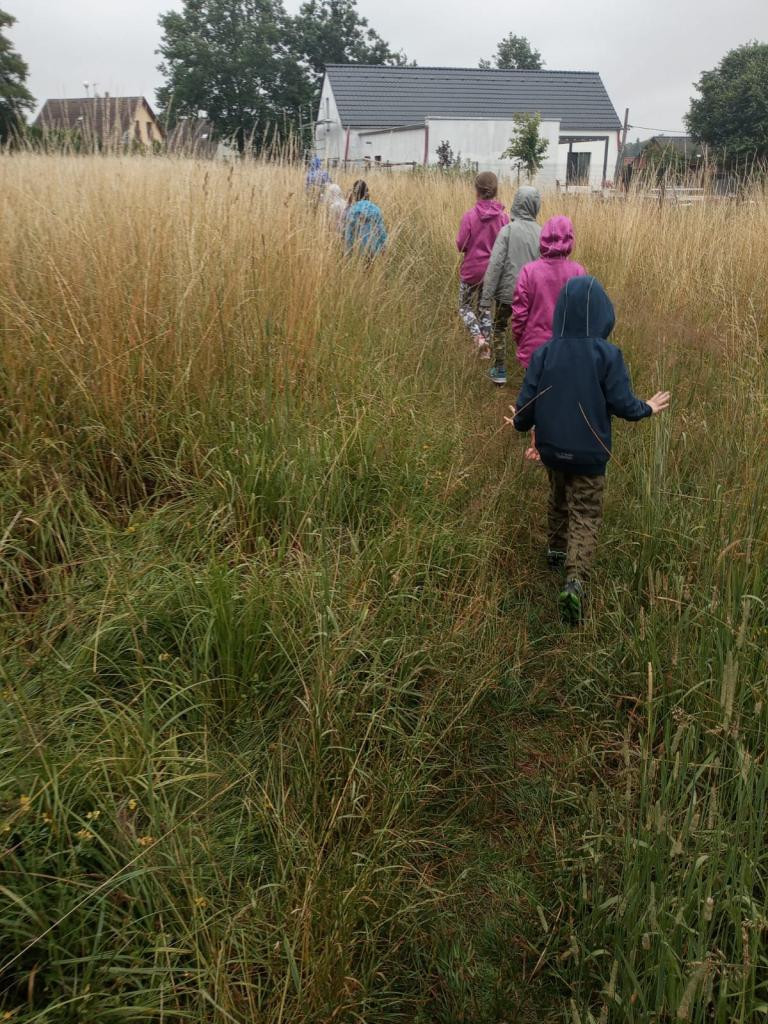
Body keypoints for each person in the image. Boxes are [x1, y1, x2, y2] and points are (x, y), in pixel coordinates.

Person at [509, 275, 670, 624]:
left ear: (560, 313)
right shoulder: (607, 354)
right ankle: (575, 581)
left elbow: (526, 407)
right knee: (585, 513)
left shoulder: (544, 353)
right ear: (602, 314)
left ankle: (555, 551)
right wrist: (647, 408)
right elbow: (623, 404)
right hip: (590, 455)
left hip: (552, 450)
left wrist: (518, 423)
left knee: (557, 498)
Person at [480, 186, 542, 386]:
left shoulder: (507, 231)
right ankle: (530, 370)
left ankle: (499, 369)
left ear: (516, 203)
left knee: (499, 326)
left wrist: (485, 298)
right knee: (530, 330)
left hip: (506, 294)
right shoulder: (541, 233)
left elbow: (495, 265)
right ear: (536, 206)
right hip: (531, 295)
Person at [511, 215, 587, 370]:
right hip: (567, 350)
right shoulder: (578, 272)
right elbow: (583, 315)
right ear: (570, 239)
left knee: (534, 385)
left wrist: (521, 339)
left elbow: (519, 314)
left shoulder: (528, 271)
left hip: (534, 349)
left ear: (543, 238)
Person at [456, 172, 509, 357]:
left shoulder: (470, 216)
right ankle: (485, 353)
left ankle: (478, 337)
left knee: (464, 306)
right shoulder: (503, 218)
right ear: (496, 190)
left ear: (476, 190)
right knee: (484, 308)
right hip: (492, 272)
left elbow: (461, 244)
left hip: (471, 271)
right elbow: (505, 246)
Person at [344, 180, 388, 259]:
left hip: (358, 252)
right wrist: (383, 246)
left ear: (355, 194)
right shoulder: (376, 209)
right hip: (374, 249)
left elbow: (349, 235)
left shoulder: (353, 211)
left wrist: (348, 253)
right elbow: (381, 231)